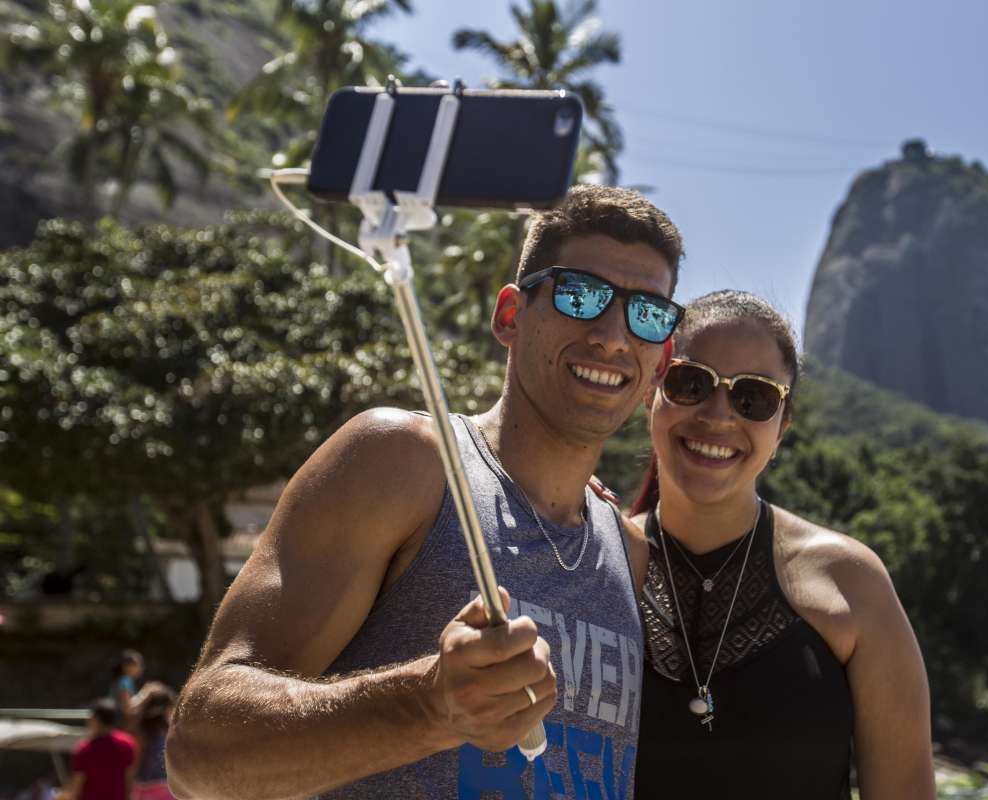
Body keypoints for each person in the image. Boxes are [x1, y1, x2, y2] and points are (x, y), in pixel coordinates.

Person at [166, 185, 686, 798]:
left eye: (647, 313)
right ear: (511, 315)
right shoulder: (402, 463)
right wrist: (428, 707)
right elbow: (197, 750)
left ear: (662, 357)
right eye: (580, 294)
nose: (612, 335)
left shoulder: (630, 553)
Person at [626, 290, 935, 798]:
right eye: (691, 383)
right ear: (651, 391)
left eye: (754, 398)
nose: (719, 415)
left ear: (782, 427)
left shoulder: (850, 581)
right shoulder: (597, 557)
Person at [56, 698, 137, 800]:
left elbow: (76, 787)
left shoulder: (84, 749)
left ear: (95, 719)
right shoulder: (127, 743)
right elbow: (129, 780)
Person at [129, 686, 176, 800]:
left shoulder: (141, 731)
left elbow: (135, 764)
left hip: (146, 787)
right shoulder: (173, 731)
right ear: (167, 708)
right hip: (168, 787)